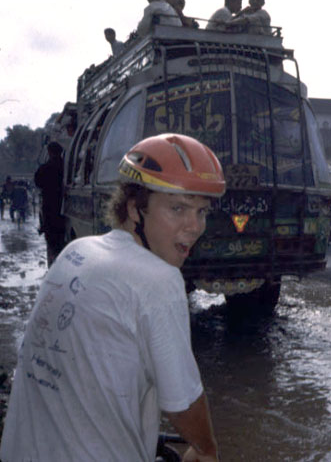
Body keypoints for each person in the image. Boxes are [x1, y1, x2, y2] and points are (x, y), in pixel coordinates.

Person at [0, 134, 222, 461]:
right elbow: (185, 405)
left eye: (202, 211)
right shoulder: (160, 280)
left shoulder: (76, 251)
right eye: (178, 208)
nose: (194, 227)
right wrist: (207, 449)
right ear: (135, 209)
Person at [34, 141, 67, 266]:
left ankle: (53, 268)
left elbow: (37, 181)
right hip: (64, 209)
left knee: (52, 243)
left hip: (49, 209)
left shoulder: (45, 168)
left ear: (49, 152)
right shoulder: (66, 166)